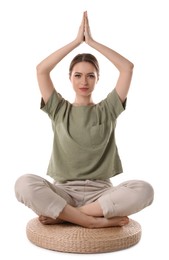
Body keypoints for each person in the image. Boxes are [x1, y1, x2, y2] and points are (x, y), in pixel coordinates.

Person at [15, 11, 154, 229]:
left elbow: (127, 68)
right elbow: (42, 70)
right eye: (78, 75)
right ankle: (91, 222)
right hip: (63, 192)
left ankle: (68, 215)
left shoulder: (108, 108)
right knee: (23, 183)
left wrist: (92, 43)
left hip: (102, 195)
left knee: (144, 190)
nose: (84, 81)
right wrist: (75, 42)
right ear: (70, 78)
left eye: (91, 75)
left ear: (98, 79)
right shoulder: (59, 109)